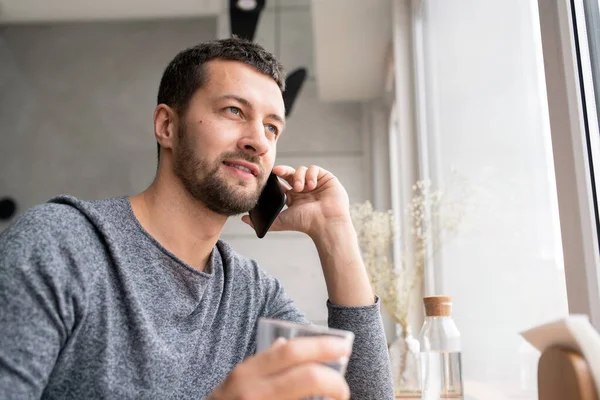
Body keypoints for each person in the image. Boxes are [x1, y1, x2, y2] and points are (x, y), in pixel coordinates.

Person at [0, 37, 394, 399]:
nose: (258, 140)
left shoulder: (251, 294)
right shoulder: (58, 245)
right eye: (234, 110)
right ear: (167, 126)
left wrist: (335, 233)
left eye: (272, 127)